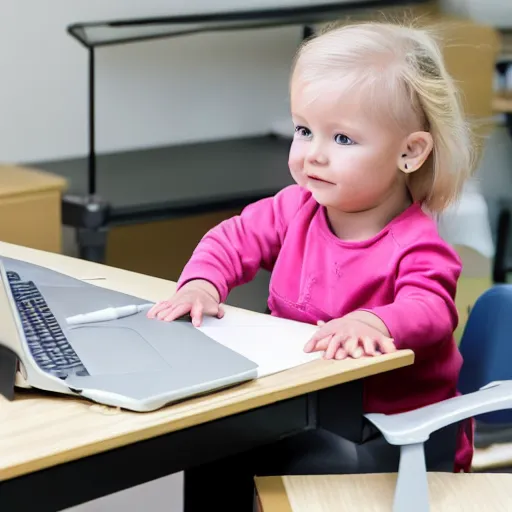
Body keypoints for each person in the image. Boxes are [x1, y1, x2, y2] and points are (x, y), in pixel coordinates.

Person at [148, 20, 475, 508]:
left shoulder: (416, 244)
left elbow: (430, 308)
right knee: (209, 447)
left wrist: (372, 319)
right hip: (307, 405)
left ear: (409, 152)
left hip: (392, 435)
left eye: (342, 139)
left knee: (288, 459)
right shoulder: (293, 208)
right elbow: (231, 239)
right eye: (304, 130)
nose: (312, 156)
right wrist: (201, 285)